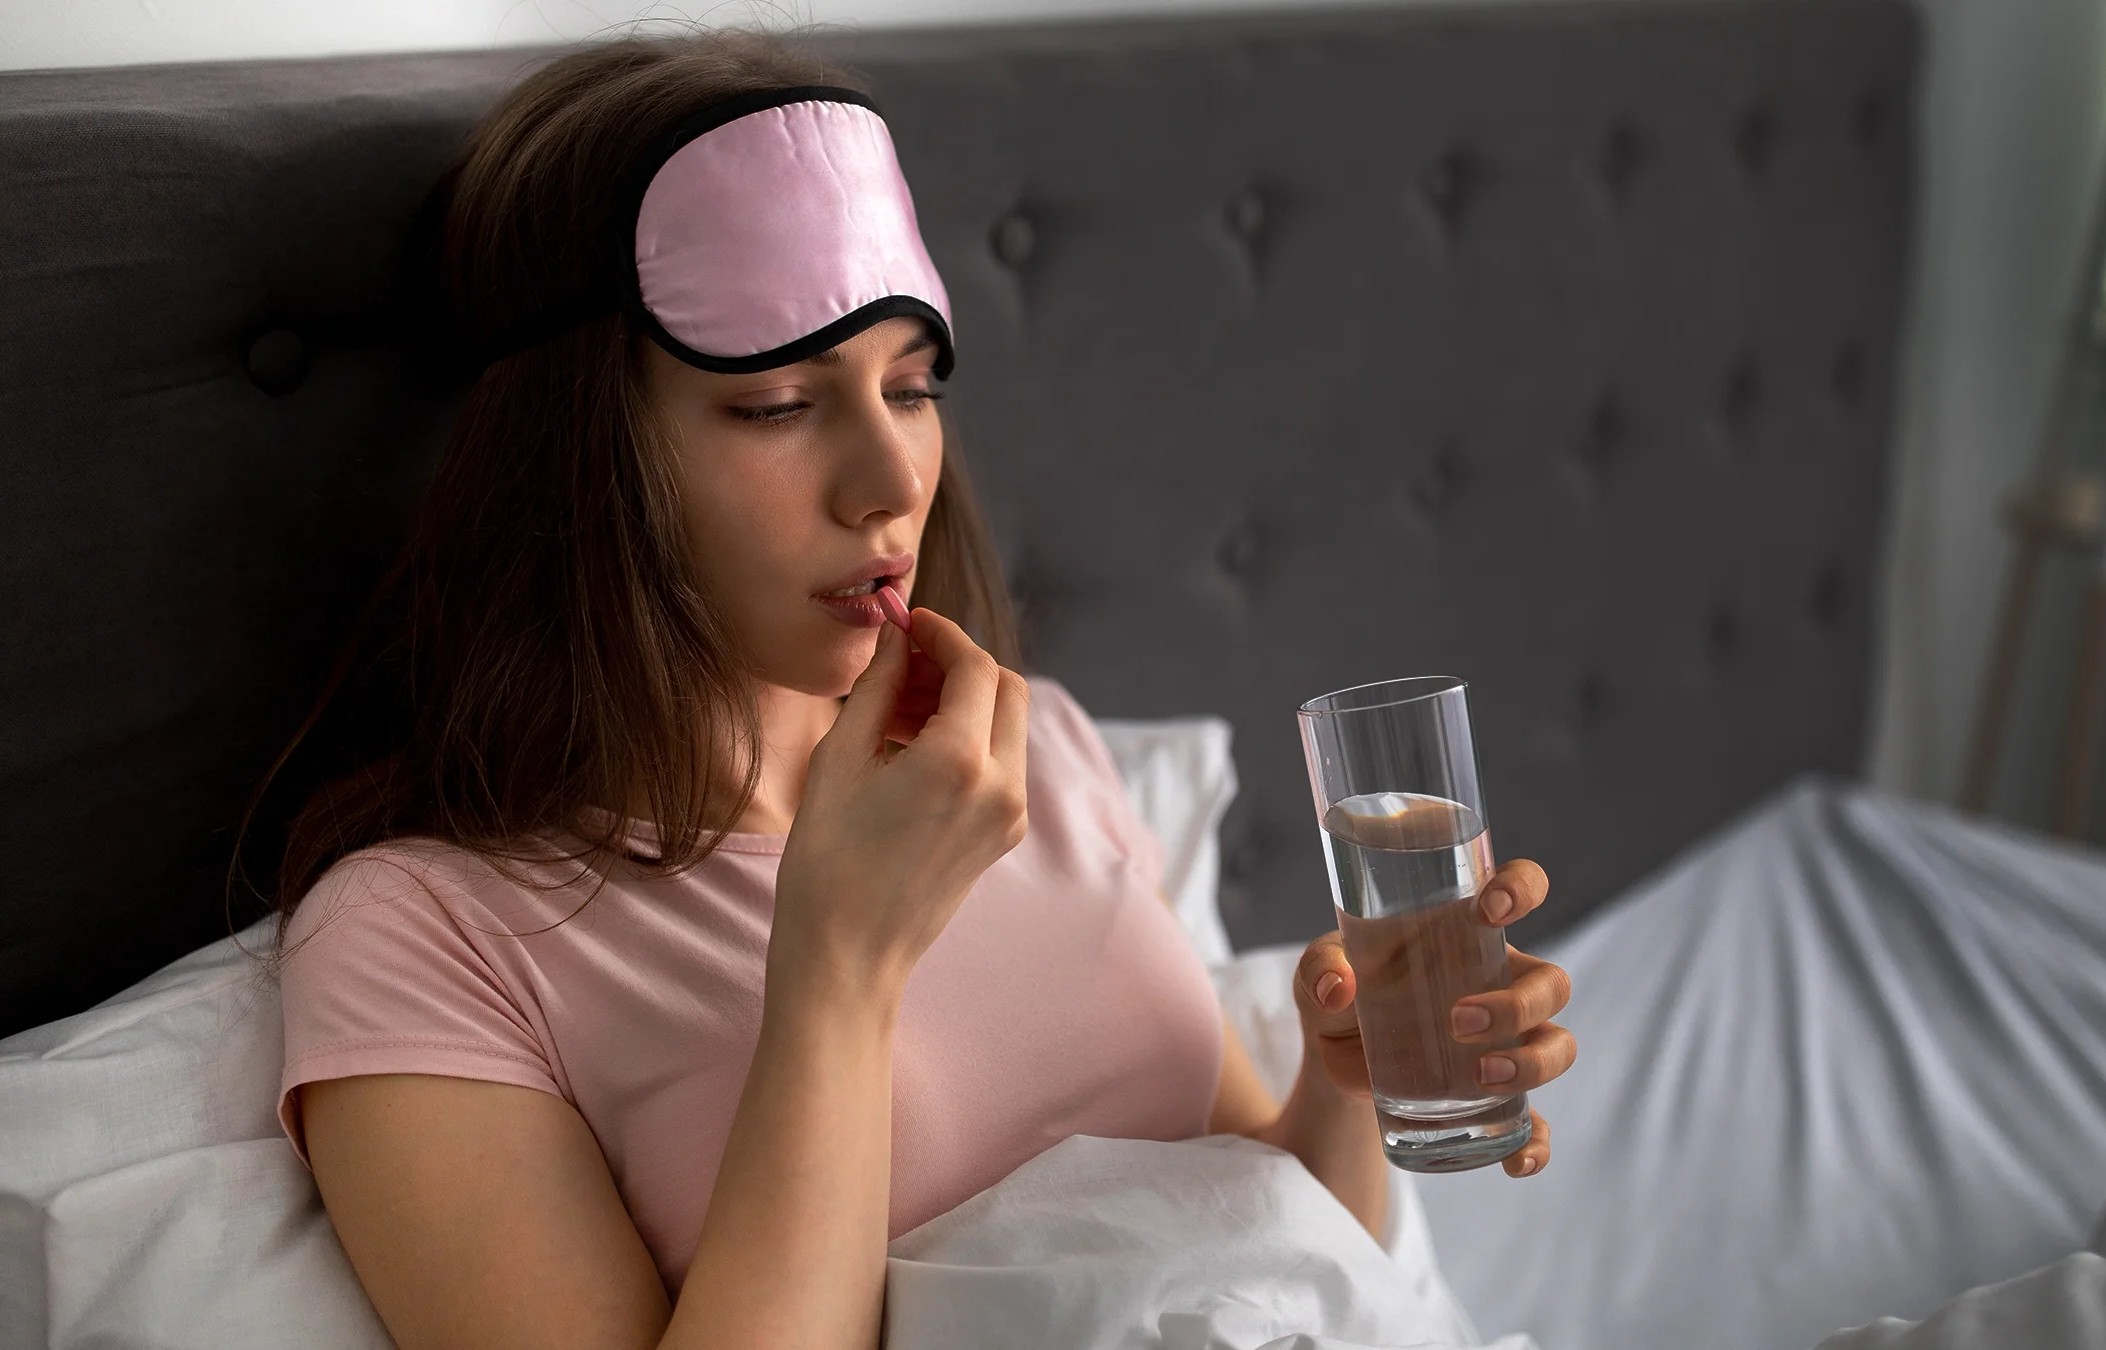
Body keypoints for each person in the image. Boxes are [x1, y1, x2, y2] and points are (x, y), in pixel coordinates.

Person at [258, 29, 1577, 1350]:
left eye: (911, 385)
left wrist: (1347, 1085)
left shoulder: (1033, 754)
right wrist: (837, 960)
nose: (890, 481)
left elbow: (1277, 1269)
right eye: (779, 402)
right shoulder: (422, 937)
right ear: (576, 460)